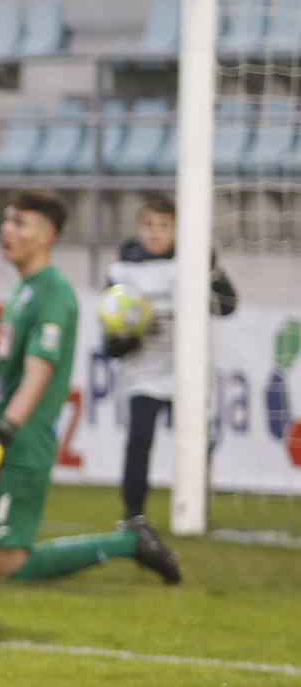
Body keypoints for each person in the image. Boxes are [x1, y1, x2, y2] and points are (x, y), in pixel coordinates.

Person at [0, 189, 182, 585]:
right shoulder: (24, 288)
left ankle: (130, 542)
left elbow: (39, 374)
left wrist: (2, 435)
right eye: (6, 220)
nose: (6, 230)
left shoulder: (53, 294)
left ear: (46, 237)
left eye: (19, 223)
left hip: (19, 439)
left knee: (10, 570)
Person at [102, 196, 237, 521]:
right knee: (139, 442)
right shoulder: (122, 270)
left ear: (178, 230)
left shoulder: (192, 264)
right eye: (149, 224)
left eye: (164, 225)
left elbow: (229, 306)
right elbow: (110, 342)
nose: (156, 232)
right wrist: (130, 332)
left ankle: (196, 508)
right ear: (138, 228)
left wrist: (213, 267)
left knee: (198, 441)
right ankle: (133, 514)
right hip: (143, 375)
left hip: (187, 374)